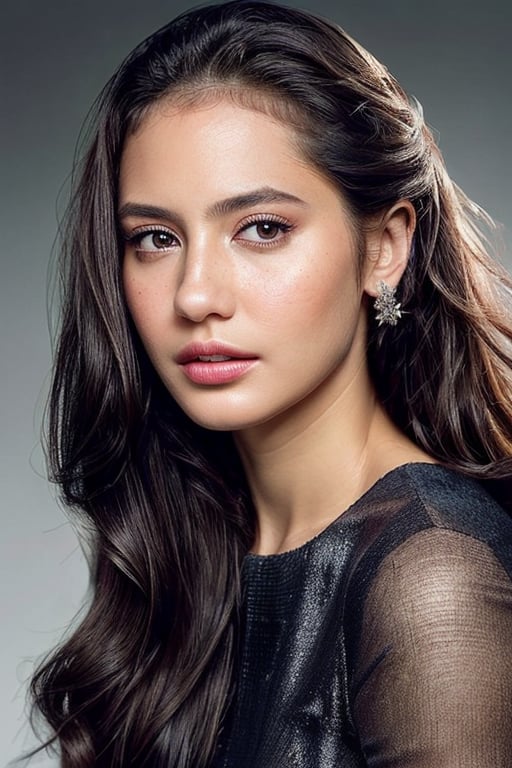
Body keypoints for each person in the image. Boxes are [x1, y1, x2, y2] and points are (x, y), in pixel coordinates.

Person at [29, 1, 512, 766]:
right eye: (155, 239)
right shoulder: (192, 547)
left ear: (385, 247)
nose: (195, 294)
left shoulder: (431, 577)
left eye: (261, 228)